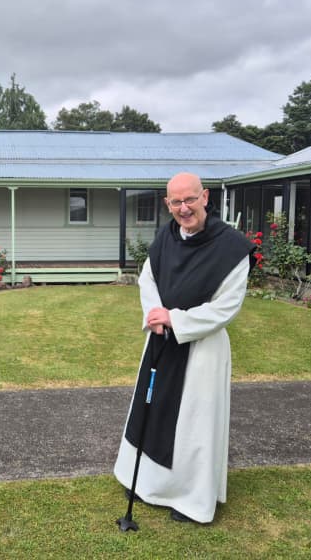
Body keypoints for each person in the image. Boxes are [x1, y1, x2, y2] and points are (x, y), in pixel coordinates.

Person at [113, 172, 256, 524]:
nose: (184, 208)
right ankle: (145, 482)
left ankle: (191, 499)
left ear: (205, 197)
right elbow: (149, 279)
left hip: (201, 349)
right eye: (176, 202)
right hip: (161, 339)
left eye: (190, 199)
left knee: (193, 424)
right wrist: (156, 314)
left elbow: (227, 306)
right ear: (167, 204)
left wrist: (177, 320)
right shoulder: (165, 236)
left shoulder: (232, 247)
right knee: (150, 410)